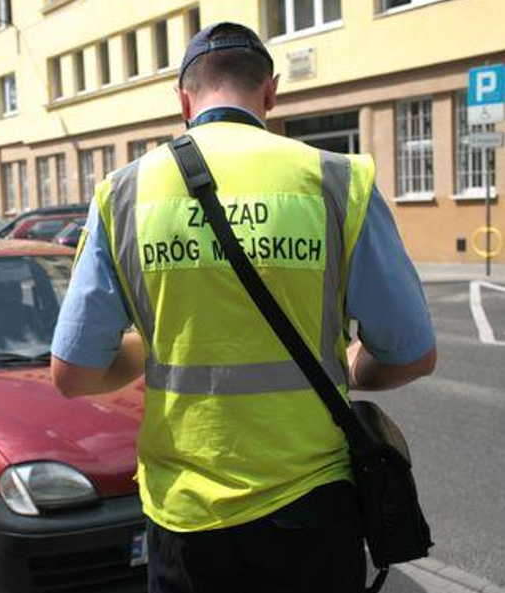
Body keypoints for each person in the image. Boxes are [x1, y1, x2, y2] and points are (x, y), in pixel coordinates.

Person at [50, 22, 437, 593]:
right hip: (311, 505)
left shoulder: (123, 194)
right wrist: (350, 366)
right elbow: (412, 356)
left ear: (184, 100)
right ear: (272, 92)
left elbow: (73, 374)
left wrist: (150, 348)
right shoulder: (338, 181)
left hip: (186, 514)